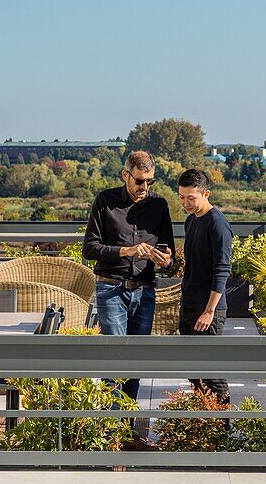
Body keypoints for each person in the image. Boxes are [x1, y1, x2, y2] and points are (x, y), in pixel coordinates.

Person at [82, 151, 175, 407]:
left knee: (135, 362)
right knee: (115, 360)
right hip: (111, 289)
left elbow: (170, 258)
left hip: (145, 292)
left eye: (150, 182)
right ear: (126, 175)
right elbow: (89, 249)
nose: (144, 187)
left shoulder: (160, 206)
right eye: (140, 181)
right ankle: (112, 431)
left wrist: (165, 261)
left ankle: (127, 429)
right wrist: (127, 251)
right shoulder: (105, 201)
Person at [177, 168, 232, 405]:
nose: (186, 203)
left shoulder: (217, 224)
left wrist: (209, 311)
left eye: (191, 198)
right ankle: (204, 424)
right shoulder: (191, 221)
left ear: (206, 194)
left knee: (211, 371)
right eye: (181, 197)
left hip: (209, 310)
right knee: (192, 370)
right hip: (189, 305)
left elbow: (222, 269)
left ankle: (222, 428)